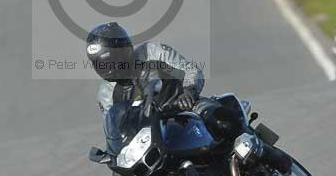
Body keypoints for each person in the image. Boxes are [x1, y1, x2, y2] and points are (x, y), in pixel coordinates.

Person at [86, 21, 250, 160]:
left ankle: (261, 153)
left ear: (124, 51)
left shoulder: (152, 52)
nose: (104, 68)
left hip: (187, 111)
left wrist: (190, 91)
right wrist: (115, 156)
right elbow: (115, 128)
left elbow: (190, 70)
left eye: (107, 62)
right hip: (153, 137)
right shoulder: (106, 94)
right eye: (98, 63)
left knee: (224, 123)